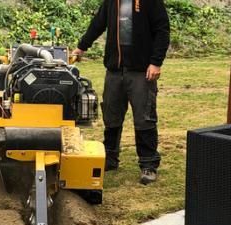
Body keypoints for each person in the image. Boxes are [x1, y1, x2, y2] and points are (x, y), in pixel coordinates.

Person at [72, 0, 170, 185]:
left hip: (141, 72)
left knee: (144, 117)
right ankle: (110, 159)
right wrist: (82, 46)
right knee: (111, 116)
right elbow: (98, 23)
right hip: (114, 71)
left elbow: (162, 31)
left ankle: (148, 164)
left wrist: (156, 62)